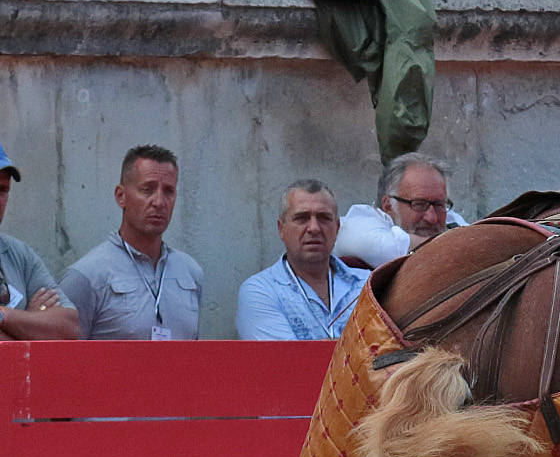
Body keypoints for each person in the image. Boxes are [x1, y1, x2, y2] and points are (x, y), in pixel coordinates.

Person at [59, 145, 204, 341]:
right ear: (121, 196)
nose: (159, 202)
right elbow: (63, 361)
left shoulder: (190, 273)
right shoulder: (87, 277)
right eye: (148, 190)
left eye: (168, 191)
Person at [237, 179, 370, 340]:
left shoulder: (368, 285)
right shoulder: (260, 291)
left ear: (337, 228)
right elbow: (285, 360)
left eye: (323, 218)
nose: (314, 228)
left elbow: (390, 352)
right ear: (281, 229)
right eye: (302, 218)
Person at [0, 146, 80, 340]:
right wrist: (30, 323)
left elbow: (70, 328)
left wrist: (6, 317)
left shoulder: (19, 254)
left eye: (2, 190)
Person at [335, 152, 468, 269]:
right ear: (388, 205)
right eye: (419, 204)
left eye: (439, 204)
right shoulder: (361, 224)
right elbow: (383, 248)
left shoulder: (450, 217)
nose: (431, 217)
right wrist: (454, 244)